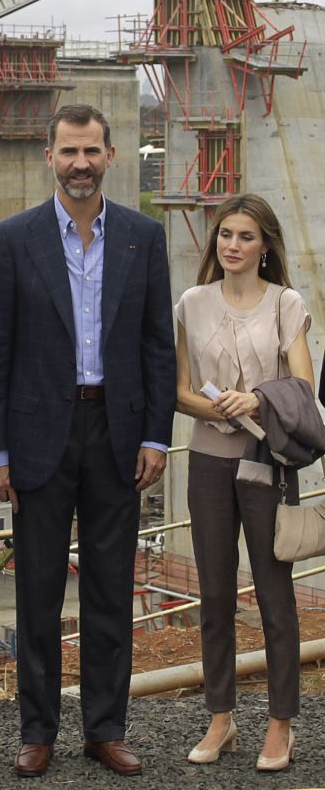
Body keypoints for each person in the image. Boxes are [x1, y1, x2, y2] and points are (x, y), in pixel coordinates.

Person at [0, 104, 176, 778]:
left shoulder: (143, 237)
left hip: (117, 432)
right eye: (69, 152)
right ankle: (37, 732)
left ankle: (105, 729)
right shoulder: (14, 238)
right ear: (50, 157)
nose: (80, 164)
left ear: (111, 156)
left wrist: (156, 436)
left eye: (91, 151)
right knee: (37, 590)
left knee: (110, 588)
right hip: (38, 436)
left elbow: (157, 344)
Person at [175, 194, 314, 772]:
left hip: (265, 460)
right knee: (214, 595)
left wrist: (254, 399)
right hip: (207, 460)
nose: (232, 245)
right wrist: (215, 409)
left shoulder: (285, 303)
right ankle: (221, 718)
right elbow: (179, 389)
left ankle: (281, 725)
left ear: (265, 246)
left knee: (274, 595)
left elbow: (303, 386)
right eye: (225, 234)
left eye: (246, 236)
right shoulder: (192, 302)